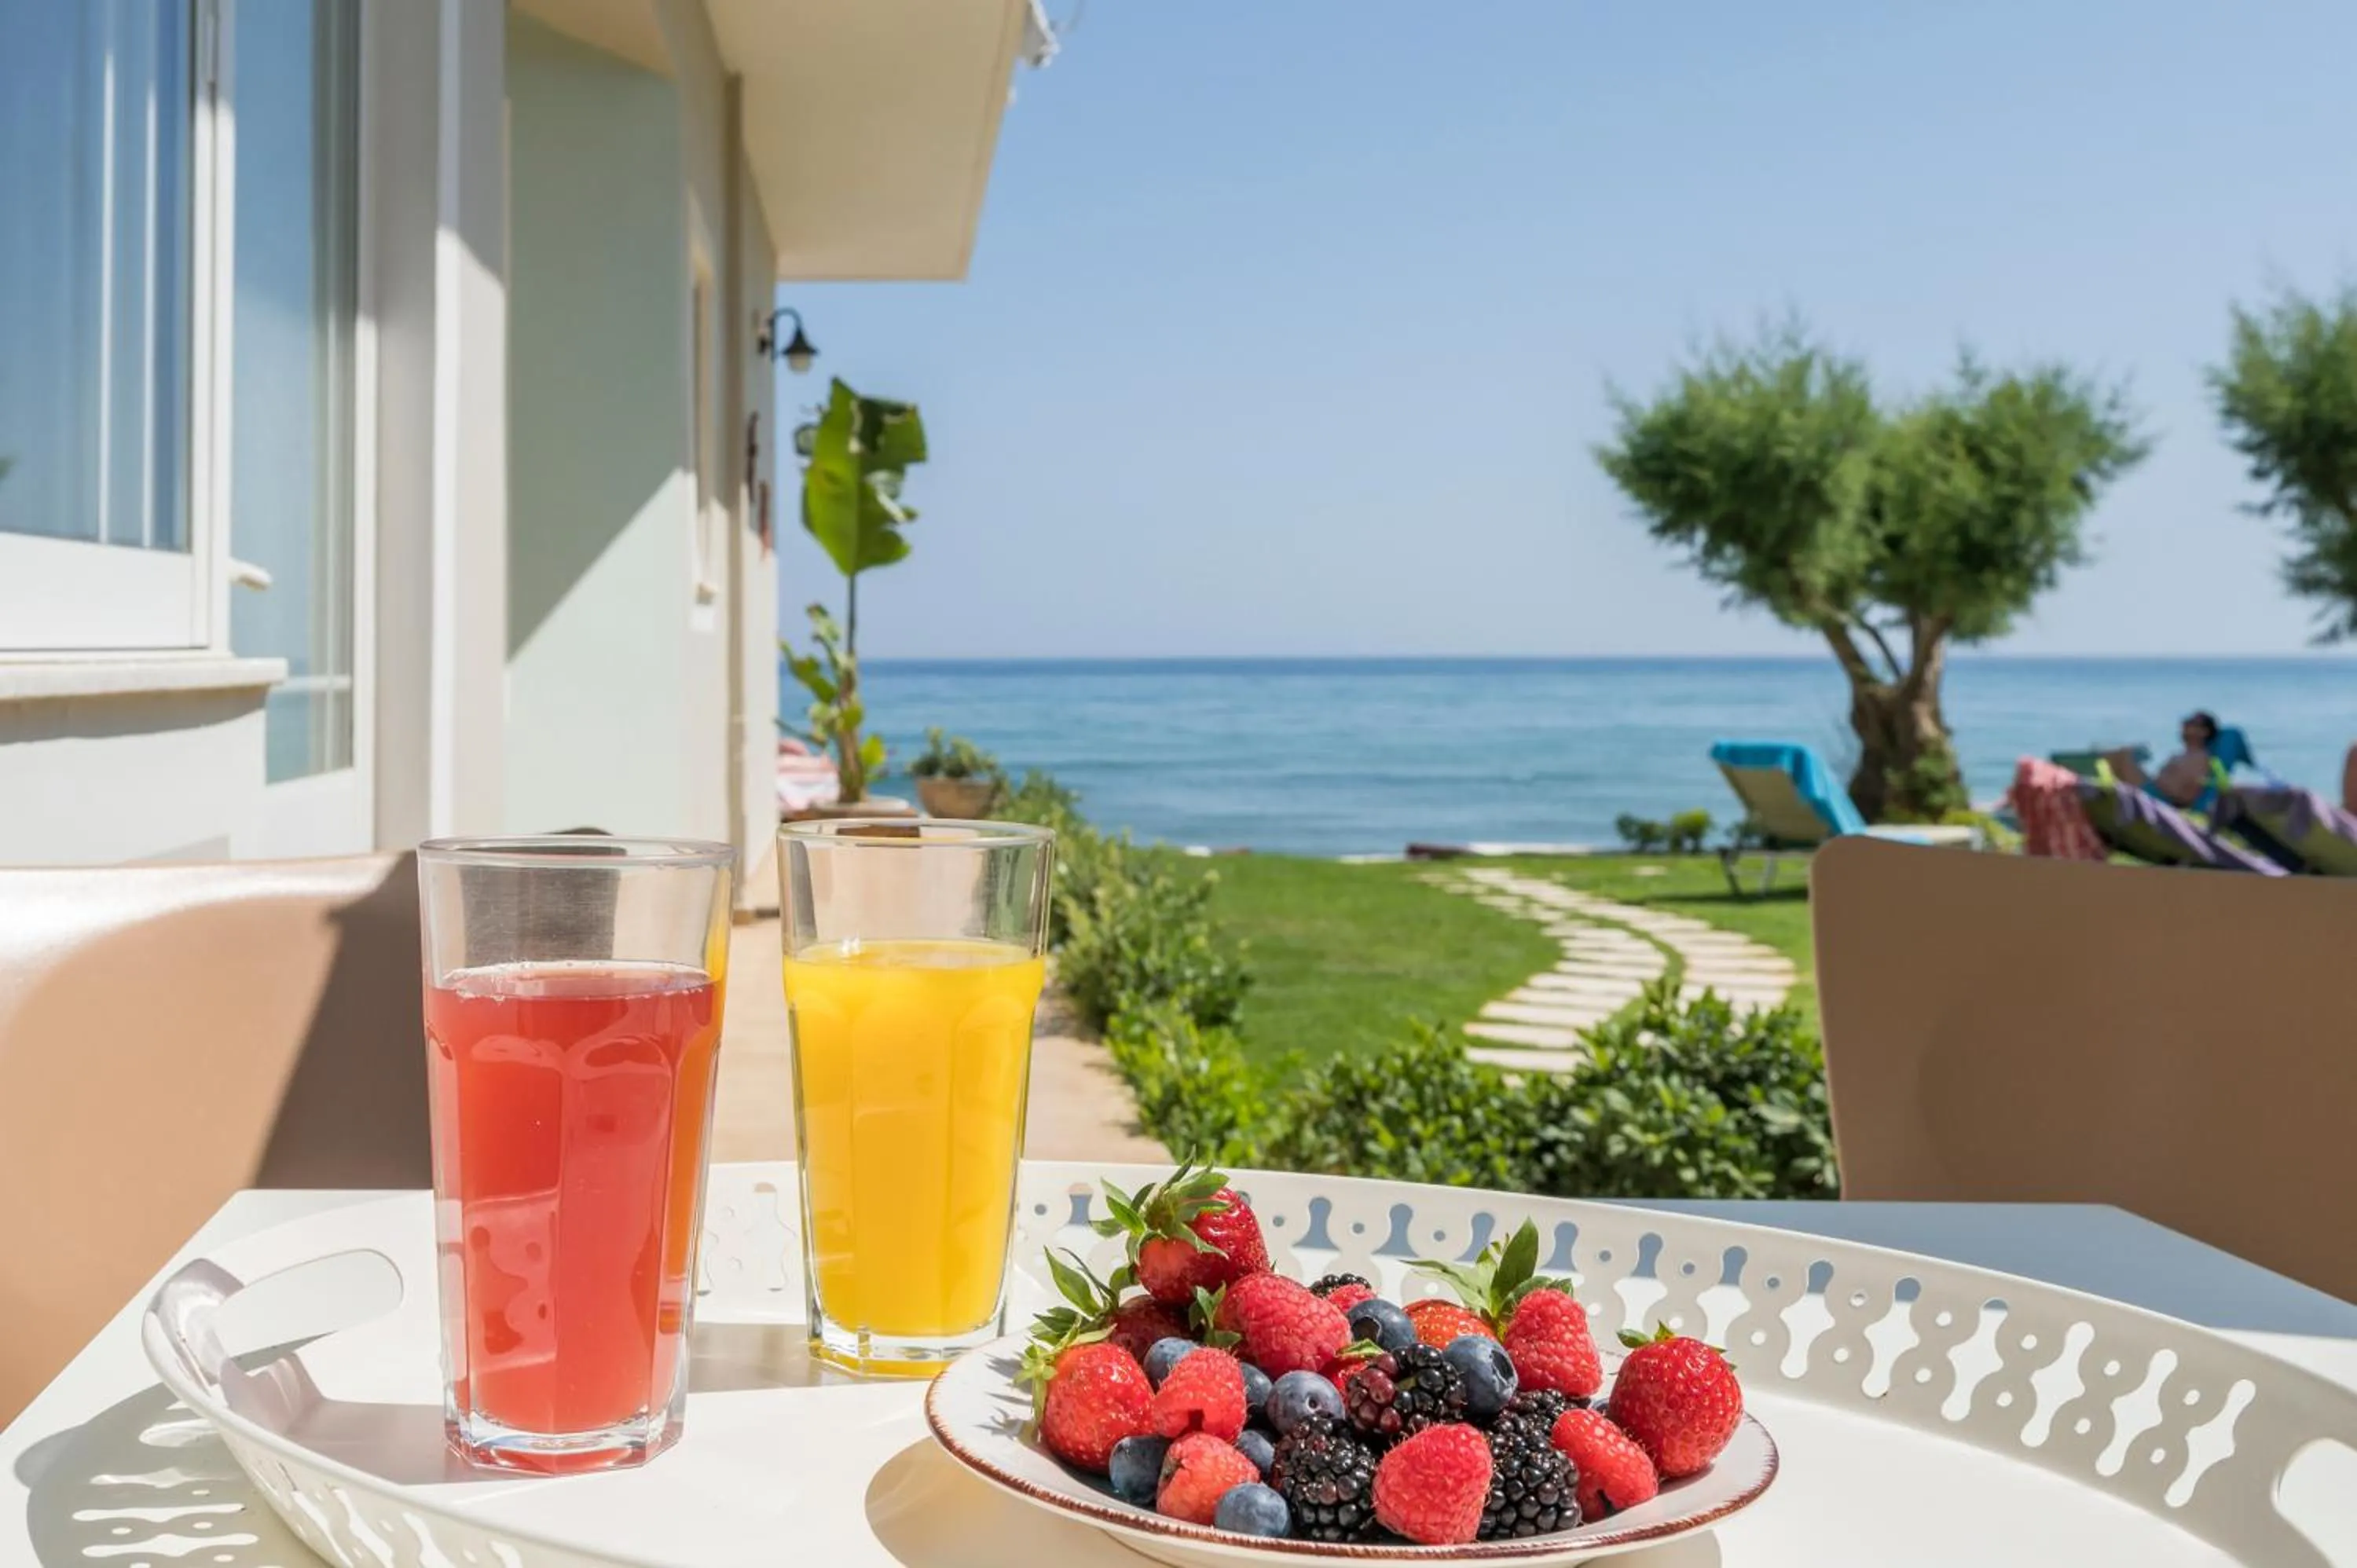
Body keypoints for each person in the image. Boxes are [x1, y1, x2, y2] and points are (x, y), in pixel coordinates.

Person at [2106, 712, 2220, 808]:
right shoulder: (2183, 755)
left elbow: (2190, 793)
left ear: (2204, 732)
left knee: (2123, 756)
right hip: (2154, 792)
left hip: (2160, 800)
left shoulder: (2201, 757)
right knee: (2122, 756)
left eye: (2192, 723)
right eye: (2186, 722)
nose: (2185, 726)